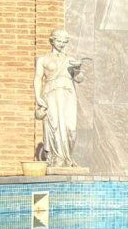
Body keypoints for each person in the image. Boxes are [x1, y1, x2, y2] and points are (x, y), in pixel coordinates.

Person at [34, 30, 88, 167]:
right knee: (55, 126)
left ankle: (68, 157)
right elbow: (38, 78)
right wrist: (37, 97)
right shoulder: (43, 59)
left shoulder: (70, 59)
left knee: (71, 128)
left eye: (65, 42)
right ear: (52, 40)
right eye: (59, 41)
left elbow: (79, 79)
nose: (62, 44)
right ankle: (57, 158)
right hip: (51, 94)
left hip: (68, 95)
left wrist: (78, 69)